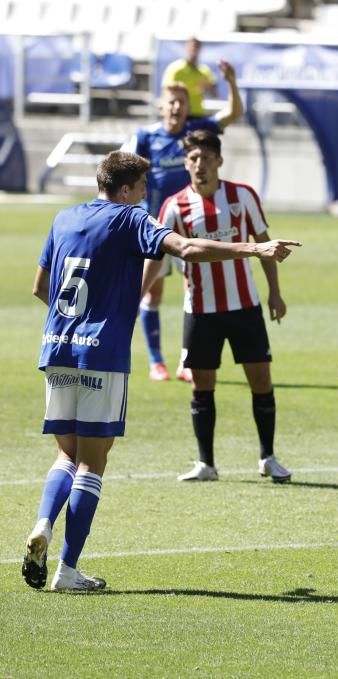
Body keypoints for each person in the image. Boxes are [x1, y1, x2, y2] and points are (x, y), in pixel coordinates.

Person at [21, 151, 299, 591]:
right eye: (143, 187)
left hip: (56, 348)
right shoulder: (131, 220)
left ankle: (42, 522)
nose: (146, 194)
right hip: (101, 355)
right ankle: (67, 570)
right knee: (92, 464)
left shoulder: (64, 218)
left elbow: (40, 287)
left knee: (65, 455)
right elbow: (186, 248)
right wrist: (253, 246)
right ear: (127, 189)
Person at [157, 130, 293, 483]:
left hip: (245, 306)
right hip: (200, 311)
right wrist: (139, 297)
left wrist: (274, 293)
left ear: (219, 160)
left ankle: (268, 456)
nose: (199, 165)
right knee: (202, 386)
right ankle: (206, 464)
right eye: (193, 159)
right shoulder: (174, 206)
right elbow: (156, 258)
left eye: (205, 158)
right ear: (186, 163)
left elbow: (264, 246)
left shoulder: (242, 197)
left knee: (261, 380)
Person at [124, 59, 243, 382]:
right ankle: (156, 361)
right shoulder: (146, 137)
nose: (176, 107)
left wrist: (231, 82)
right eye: (171, 102)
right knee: (153, 293)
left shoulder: (196, 131)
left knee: (196, 291)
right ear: (162, 106)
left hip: (194, 226)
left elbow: (233, 114)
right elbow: (124, 171)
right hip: (156, 227)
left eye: (182, 102)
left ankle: (186, 361)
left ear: (188, 107)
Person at [161, 37, 217, 118]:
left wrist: (208, 86)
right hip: (178, 114)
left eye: (196, 47)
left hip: (198, 113)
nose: (193, 51)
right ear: (186, 48)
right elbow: (166, 92)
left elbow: (214, 94)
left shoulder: (205, 71)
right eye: (191, 47)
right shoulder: (175, 69)